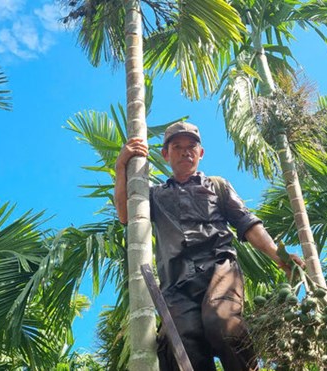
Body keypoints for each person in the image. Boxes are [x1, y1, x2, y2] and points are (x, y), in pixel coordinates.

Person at [114, 121, 305, 371]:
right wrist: (121, 166)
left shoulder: (218, 186)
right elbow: (126, 214)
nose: (185, 152)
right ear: (165, 154)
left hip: (218, 268)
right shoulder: (154, 195)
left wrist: (278, 256)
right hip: (176, 283)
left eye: (191, 147)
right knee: (182, 344)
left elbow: (247, 224)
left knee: (221, 322)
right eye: (177, 147)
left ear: (200, 153)